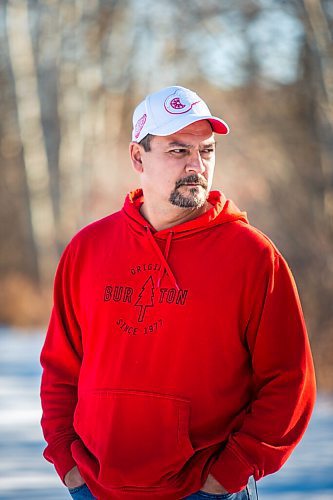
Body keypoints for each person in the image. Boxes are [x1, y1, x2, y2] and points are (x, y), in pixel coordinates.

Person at [40, 85, 316, 500]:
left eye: (206, 151)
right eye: (178, 150)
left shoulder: (252, 256)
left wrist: (230, 472)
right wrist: (67, 462)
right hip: (95, 487)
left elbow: (289, 381)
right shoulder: (88, 249)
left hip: (202, 490)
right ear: (138, 156)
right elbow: (61, 369)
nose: (197, 165)